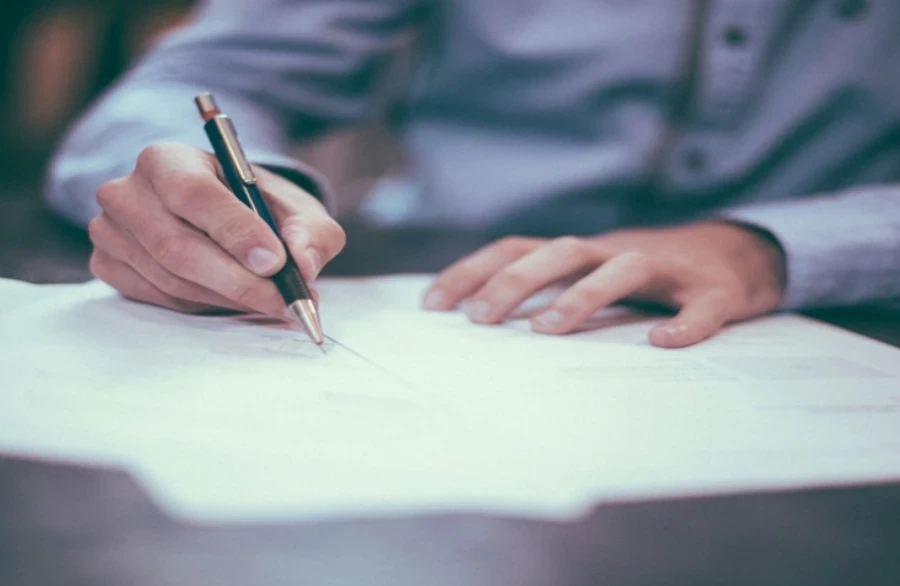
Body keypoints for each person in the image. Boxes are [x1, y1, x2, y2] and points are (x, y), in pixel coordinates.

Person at [46, 0, 900, 348]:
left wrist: (771, 248)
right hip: (448, 295)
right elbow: (187, 81)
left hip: (843, 313)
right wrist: (219, 199)